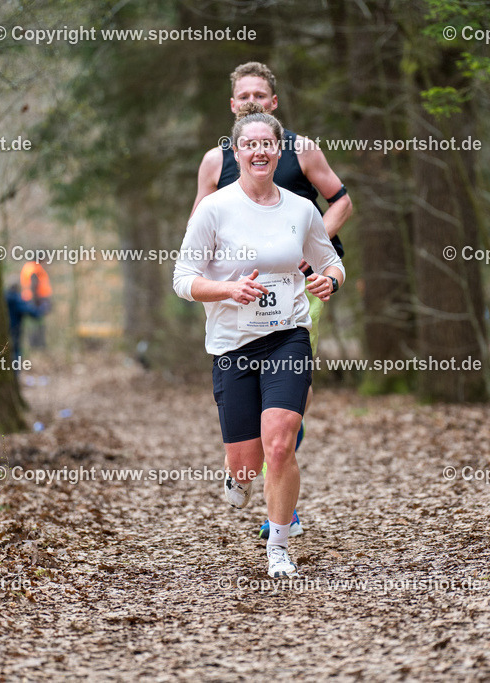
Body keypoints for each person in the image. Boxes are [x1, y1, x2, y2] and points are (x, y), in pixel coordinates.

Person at [174, 104, 345, 578]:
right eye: (249, 144)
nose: (258, 151)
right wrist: (228, 289)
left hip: (287, 336)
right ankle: (235, 472)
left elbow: (330, 261)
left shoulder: (300, 208)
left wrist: (331, 279)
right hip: (232, 344)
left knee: (280, 443)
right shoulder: (214, 209)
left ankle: (279, 549)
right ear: (237, 151)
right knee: (247, 464)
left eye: (266, 143)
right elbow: (182, 279)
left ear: (278, 149)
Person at [5, 283, 44, 367]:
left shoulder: (4, 297)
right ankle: (15, 373)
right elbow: (31, 312)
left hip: (4, 330)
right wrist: (42, 309)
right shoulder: (17, 299)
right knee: (15, 352)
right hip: (14, 330)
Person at [20, 260, 52, 349]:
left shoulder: (29, 267)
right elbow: (34, 286)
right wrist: (37, 303)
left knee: (35, 322)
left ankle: (36, 344)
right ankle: (37, 344)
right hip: (36, 300)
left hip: (32, 299)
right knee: (37, 321)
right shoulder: (34, 269)